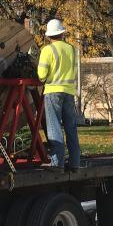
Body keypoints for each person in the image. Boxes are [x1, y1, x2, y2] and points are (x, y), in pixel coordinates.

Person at [37, 18, 81, 172]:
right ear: (62, 33)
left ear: (49, 36)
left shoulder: (47, 50)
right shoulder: (71, 49)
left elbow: (41, 75)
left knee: (54, 127)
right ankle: (75, 163)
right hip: (69, 92)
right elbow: (74, 71)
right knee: (71, 127)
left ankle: (57, 164)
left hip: (52, 91)